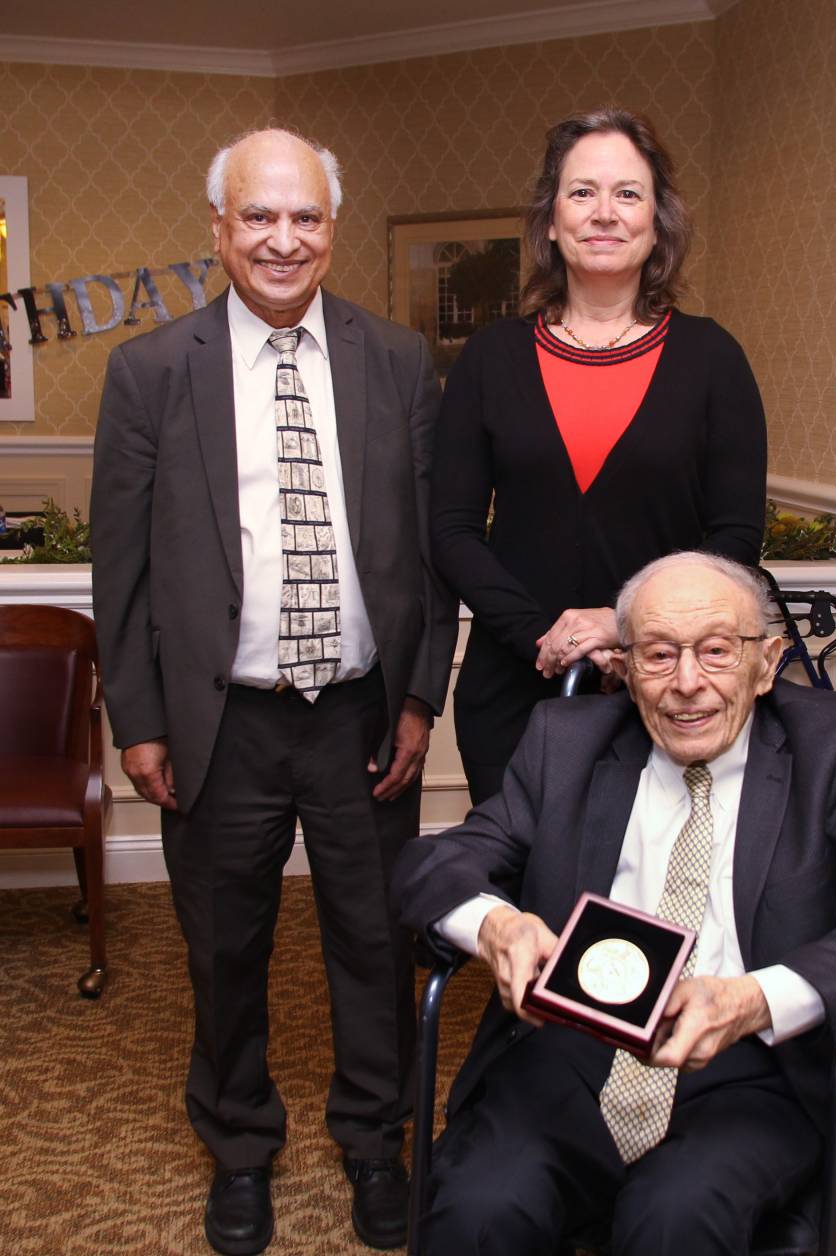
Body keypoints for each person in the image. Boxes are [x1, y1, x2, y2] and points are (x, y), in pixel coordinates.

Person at [90, 128, 456, 1256]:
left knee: (375, 942)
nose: (283, 239)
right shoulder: (152, 370)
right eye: (259, 216)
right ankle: (241, 1145)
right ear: (220, 229)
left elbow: (432, 552)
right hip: (221, 722)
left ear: (331, 228)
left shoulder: (399, 361)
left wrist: (419, 698)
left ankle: (375, 1140)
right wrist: (140, 721)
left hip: (361, 715)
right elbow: (121, 566)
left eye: (305, 217)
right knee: (223, 947)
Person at [392, 551, 836, 1254]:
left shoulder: (833, 746)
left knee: (676, 1219)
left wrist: (756, 999)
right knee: (479, 1208)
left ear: (767, 663)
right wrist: (495, 924)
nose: (688, 683)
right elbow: (435, 863)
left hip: (753, 1069)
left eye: (718, 651)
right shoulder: (566, 740)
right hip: (574, 1050)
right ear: (625, 668)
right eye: (660, 655)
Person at [431, 107, 768, 805]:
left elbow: (735, 536)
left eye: (628, 193)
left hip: (671, 689)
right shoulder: (490, 359)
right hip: (512, 691)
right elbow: (453, 531)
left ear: (657, 223)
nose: (604, 213)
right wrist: (546, 638)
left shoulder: (713, 358)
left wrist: (625, 624)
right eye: (582, 192)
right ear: (551, 221)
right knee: (521, 868)